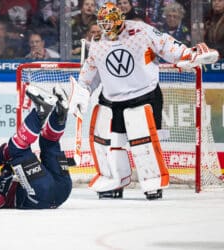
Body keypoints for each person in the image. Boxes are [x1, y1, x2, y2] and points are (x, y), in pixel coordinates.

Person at [69, 2, 219, 200]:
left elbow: (167, 45)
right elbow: (91, 72)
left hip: (144, 95)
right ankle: (115, 180)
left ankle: (152, 182)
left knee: (143, 143)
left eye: (109, 23)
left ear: (120, 20)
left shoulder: (141, 31)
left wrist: (188, 54)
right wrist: (82, 91)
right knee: (109, 144)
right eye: (102, 23)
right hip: (113, 100)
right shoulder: (97, 41)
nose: (106, 28)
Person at [0, 85, 72, 209]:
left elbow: (5, 151)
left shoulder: (3, 171)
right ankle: (40, 113)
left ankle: (59, 114)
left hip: (62, 188)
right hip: (39, 196)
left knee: (49, 142)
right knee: (17, 149)